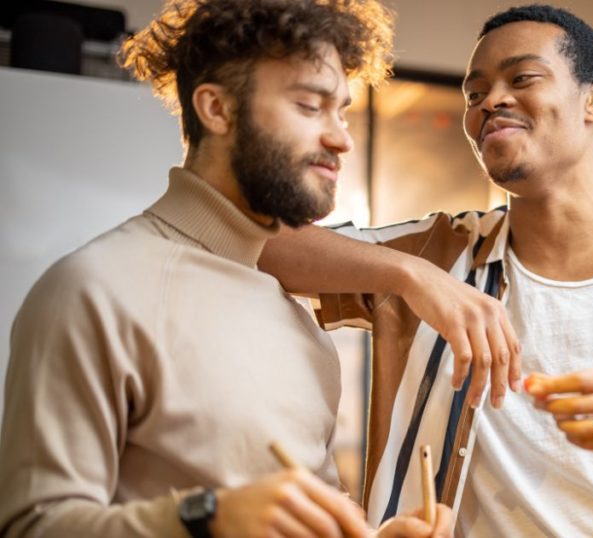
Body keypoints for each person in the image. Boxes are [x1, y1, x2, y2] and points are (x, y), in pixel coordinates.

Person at [260, 4, 593, 537]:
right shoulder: (437, 253)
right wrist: (415, 277)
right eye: (474, 94)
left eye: (522, 78)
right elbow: (262, 246)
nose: (490, 102)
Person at [0, 1, 485, 536]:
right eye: (309, 106)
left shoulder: (296, 320)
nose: (341, 138)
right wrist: (209, 517)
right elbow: (32, 525)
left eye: (341, 111)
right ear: (217, 109)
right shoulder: (92, 290)